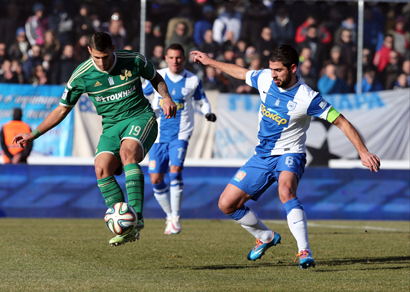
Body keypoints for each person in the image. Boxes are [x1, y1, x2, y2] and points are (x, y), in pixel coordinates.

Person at [190, 45, 380, 269]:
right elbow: (241, 73)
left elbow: (341, 121)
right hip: (262, 156)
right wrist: (210, 61)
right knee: (226, 204)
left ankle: (304, 250)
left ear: (293, 68)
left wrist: (362, 151)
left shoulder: (307, 97)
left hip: (291, 153)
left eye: (278, 70)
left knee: (285, 190)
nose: (273, 75)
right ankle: (265, 236)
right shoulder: (264, 79)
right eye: (271, 69)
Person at [12, 32, 177, 246]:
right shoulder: (81, 75)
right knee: (101, 168)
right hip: (110, 127)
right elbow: (62, 109)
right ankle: (124, 224)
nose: (101, 62)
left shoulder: (133, 60)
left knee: (128, 153)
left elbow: (156, 78)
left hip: (139, 117)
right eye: (97, 57)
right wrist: (32, 134)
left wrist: (166, 97)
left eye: (106, 56)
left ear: (113, 49)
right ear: (89, 51)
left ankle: (136, 217)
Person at [142, 43, 216, 234]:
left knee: (175, 171)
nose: (175, 61)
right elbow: (143, 96)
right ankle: (170, 216)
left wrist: (208, 112)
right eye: (171, 57)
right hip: (157, 135)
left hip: (181, 134)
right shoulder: (157, 77)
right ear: (166, 58)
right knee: (156, 179)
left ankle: (175, 217)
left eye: (178, 58)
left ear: (183, 59)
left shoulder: (192, 80)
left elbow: (202, 100)